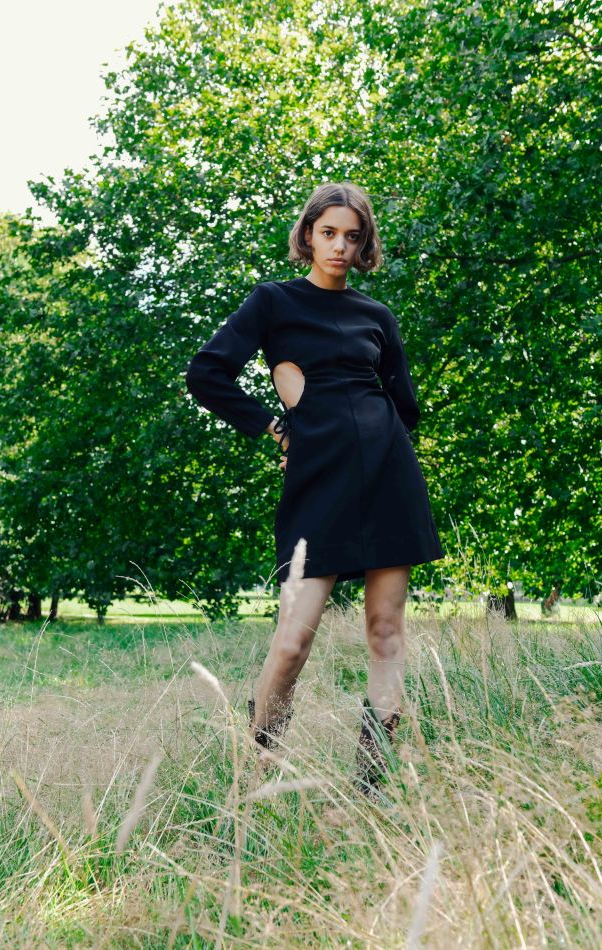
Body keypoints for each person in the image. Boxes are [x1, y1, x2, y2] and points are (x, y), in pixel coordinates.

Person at [185, 181, 444, 795]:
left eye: (352, 237)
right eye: (328, 233)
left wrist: (370, 434)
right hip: (317, 481)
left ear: (363, 244)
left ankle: (371, 786)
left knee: (385, 633)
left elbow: (405, 406)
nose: (339, 246)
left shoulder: (376, 316)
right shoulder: (273, 302)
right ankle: (256, 777)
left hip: (387, 477)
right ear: (307, 235)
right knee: (293, 640)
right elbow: (206, 374)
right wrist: (275, 427)